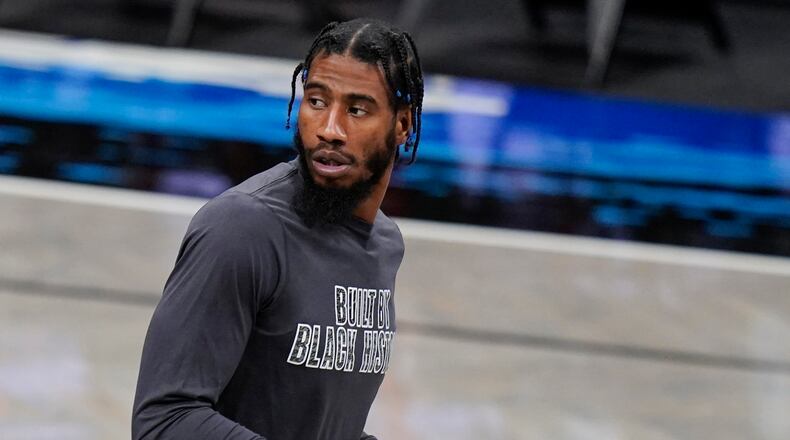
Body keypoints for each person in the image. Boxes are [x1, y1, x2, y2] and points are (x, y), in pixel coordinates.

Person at [132, 18, 424, 440]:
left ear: (402, 125)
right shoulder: (241, 229)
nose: (329, 129)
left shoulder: (383, 244)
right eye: (317, 101)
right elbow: (164, 420)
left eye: (357, 109)